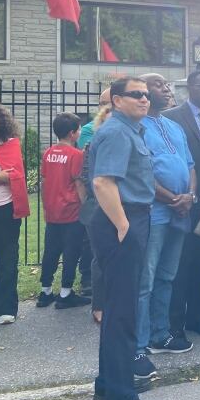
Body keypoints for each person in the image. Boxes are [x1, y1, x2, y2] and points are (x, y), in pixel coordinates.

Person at [88, 77, 162, 400]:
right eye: (136, 94)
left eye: (146, 94)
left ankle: (109, 384)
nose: (145, 99)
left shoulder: (132, 129)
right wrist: (123, 225)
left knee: (119, 309)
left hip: (131, 219)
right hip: (123, 221)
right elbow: (103, 181)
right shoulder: (117, 131)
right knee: (122, 313)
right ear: (117, 100)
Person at [133, 74, 196, 381]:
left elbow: (191, 165)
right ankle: (139, 345)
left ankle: (161, 335)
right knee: (144, 279)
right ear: (143, 93)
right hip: (155, 212)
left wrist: (190, 196)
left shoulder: (174, 126)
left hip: (181, 212)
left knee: (167, 276)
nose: (166, 89)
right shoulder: (137, 127)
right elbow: (142, 173)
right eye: (159, 85)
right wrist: (172, 197)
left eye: (166, 85)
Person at [165, 71, 200, 339]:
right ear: (189, 87)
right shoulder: (172, 117)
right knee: (180, 265)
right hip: (183, 202)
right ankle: (175, 323)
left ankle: (197, 319)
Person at [37, 112, 90, 309]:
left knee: (50, 251)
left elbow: (43, 182)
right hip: (71, 211)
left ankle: (45, 291)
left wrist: (45, 206)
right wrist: (86, 205)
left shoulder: (48, 152)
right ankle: (66, 293)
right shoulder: (77, 155)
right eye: (79, 129)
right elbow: (78, 183)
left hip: (52, 211)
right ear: (72, 133)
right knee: (71, 252)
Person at [0, 102, 29, 325]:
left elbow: (15, 175)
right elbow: (3, 176)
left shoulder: (10, 145)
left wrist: (6, 176)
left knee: (7, 260)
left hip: (4, 210)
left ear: (2, 121)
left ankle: (5, 307)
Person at [81, 104, 112, 325]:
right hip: (99, 209)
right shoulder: (92, 146)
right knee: (100, 258)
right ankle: (99, 305)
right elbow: (86, 179)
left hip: (125, 209)